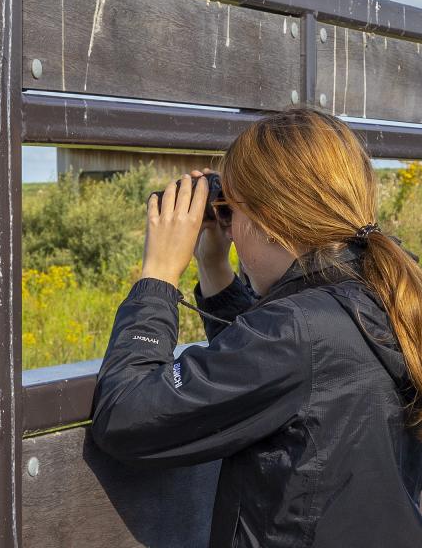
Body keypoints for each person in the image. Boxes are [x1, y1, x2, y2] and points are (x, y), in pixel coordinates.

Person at [90, 107, 422, 547]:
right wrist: (214, 265)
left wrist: (158, 276)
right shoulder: (383, 296)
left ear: (271, 222)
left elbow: (128, 416)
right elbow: (267, 371)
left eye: (233, 212)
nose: (230, 227)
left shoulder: (297, 332)